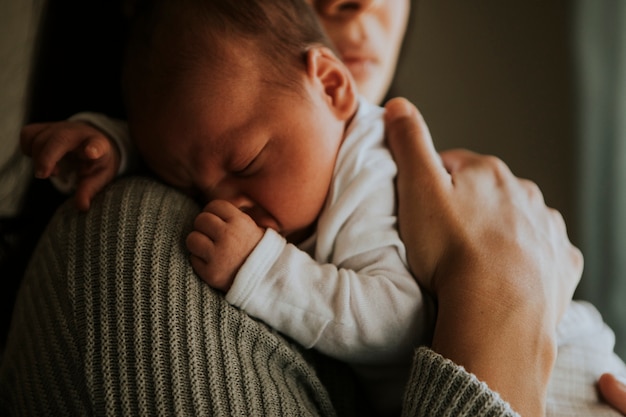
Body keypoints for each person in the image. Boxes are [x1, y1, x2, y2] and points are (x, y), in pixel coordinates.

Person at [3, 0, 626, 415]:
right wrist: (109, 142)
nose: (224, 206)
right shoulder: (129, 246)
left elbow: (394, 320)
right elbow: (200, 139)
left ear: (329, 84)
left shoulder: (369, 176)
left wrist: (264, 271)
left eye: (247, 166)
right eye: (191, 190)